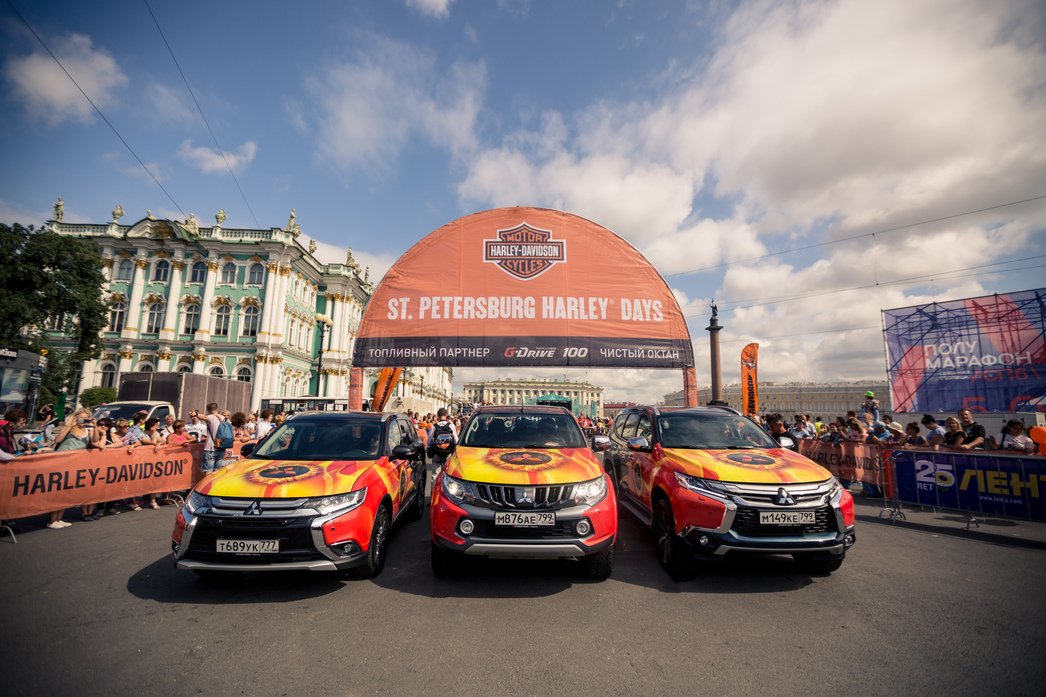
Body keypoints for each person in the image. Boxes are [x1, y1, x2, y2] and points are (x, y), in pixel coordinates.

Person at [426, 408, 458, 472]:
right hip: (448, 452)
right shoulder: (451, 426)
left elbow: (429, 442)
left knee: (435, 474)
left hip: (437, 452)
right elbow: (456, 441)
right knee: (447, 472)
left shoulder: (434, 427)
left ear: (438, 416)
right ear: (446, 415)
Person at [203, 402, 228, 473]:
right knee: (217, 472)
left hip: (210, 448)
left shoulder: (210, 417)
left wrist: (196, 414)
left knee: (209, 472)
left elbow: (204, 417)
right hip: (222, 447)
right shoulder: (225, 419)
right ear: (217, 408)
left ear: (208, 410)